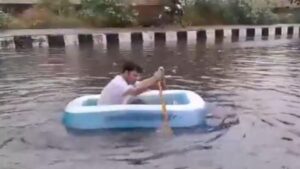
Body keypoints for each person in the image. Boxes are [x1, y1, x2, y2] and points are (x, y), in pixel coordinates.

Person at [98, 61, 165, 105]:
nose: (137, 78)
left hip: (115, 112)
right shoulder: (118, 83)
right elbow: (135, 91)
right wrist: (155, 78)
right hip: (106, 115)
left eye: (138, 76)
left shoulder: (127, 82)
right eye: (135, 75)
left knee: (137, 102)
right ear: (126, 73)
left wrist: (158, 79)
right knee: (138, 102)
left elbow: (142, 84)